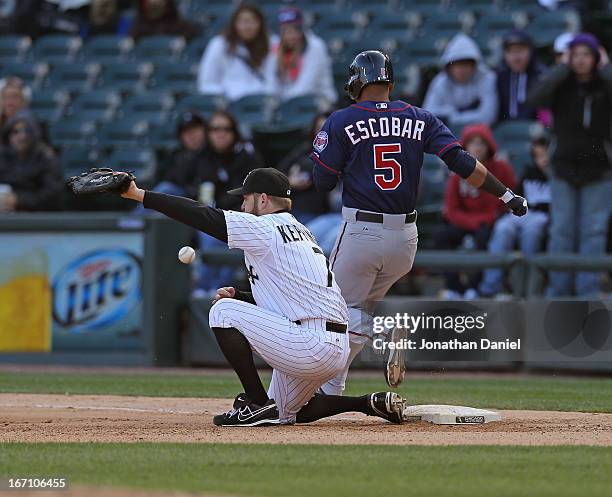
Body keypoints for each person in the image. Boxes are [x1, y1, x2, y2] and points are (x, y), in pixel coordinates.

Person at [120, 167, 408, 426]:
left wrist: (139, 194)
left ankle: (256, 403)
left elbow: (203, 215)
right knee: (289, 412)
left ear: (262, 200)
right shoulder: (301, 231)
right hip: (329, 344)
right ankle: (368, 403)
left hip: (310, 341)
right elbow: (291, 296)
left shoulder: (266, 227)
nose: (241, 205)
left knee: (222, 312)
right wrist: (243, 295)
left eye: (245, 199)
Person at [310, 51, 526, 393]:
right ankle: (332, 389)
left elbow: (322, 181)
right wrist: (506, 196)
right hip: (405, 239)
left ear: (355, 82)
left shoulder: (341, 120)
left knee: (332, 311)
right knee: (356, 311)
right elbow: (460, 161)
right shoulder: (419, 116)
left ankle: (383, 333)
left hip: (362, 233)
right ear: (390, 82)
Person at [527, 33, 612, 297]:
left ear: (596, 58)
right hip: (563, 168)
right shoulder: (560, 86)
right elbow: (534, 98)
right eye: (575, 54)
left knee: (593, 233)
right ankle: (559, 292)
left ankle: (587, 292)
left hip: (599, 170)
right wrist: (561, 68)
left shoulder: (605, 84)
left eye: (587, 54)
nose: (581, 60)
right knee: (562, 231)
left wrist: (607, 68)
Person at [434, 123, 516, 299]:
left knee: (484, 236)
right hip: (467, 221)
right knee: (441, 235)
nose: (477, 147)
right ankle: (455, 288)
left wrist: (487, 219)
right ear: (466, 146)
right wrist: (473, 221)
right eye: (473, 143)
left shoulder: (502, 168)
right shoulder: (457, 170)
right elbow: (451, 209)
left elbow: (509, 201)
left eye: (481, 143)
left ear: (489, 146)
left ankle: (475, 288)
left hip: (490, 222)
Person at [479, 136, 551, 297]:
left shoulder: (558, 176)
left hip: (543, 216)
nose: (543, 160)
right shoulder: (528, 172)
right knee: (503, 228)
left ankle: (528, 287)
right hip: (524, 213)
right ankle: (490, 286)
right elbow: (518, 197)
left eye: (546, 155)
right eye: (539, 155)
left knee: (531, 232)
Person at [197, 4, 276, 101]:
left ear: (260, 23)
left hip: (262, 103)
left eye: (252, 21)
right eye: (242, 21)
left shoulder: (272, 44)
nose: (247, 27)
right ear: (234, 24)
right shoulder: (219, 45)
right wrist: (224, 95)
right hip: (229, 103)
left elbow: (274, 80)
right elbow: (207, 82)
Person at [423, 33, 498, 128]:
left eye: (466, 64)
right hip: (445, 136)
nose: (461, 70)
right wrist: (455, 112)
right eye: (457, 65)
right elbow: (427, 115)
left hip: (477, 137)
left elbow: (487, 117)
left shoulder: (487, 78)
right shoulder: (440, 81)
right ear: (449, 66)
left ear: (474, 65)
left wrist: (451, 117)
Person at [270, 7, 337, 105]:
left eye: (295, 29)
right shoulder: (276, 46)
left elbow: (307, 84)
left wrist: (282, 105)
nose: (291, 35)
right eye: (286, 30)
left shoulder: (316, 46)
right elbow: (273, 82)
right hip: (289, 102)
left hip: (319, 100)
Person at [0, 110, 62, 212]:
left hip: (38, 218)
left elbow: (52, 195)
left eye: (27, 131)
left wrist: (19, 200)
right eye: (16, 131)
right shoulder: (2, 156)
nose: (22, 136)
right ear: (8, 135)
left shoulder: (47, 159)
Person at [277, 112, 331, 224]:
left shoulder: (344, 153)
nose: (324, 134)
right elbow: (277, 173)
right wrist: (289, 182)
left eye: (328, 129)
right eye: (319, 129)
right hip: (293, 209)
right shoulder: (305, 150)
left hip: (322, 213)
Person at [495, 30, 547, 123]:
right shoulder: (500, 77)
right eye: (510, 51)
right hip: (504, 133)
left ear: (531, 51)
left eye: (520, 50)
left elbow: (545, 116)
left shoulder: (541, 76)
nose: (515, 57)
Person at [130, 0, 199, 41]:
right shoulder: (139, 27)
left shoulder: (177, 25)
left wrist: (182, 40)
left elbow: (191, 31)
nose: (154, 3)